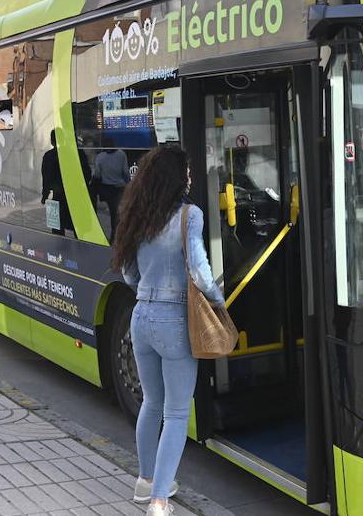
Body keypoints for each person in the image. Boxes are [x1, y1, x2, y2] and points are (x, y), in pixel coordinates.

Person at [112, 146, 224, 516]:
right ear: (177, 178)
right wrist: (219, 302)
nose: (191, 177)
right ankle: (160, 501)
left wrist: (149, 290)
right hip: (174, 321)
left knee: (151, 404)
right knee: (177, 413)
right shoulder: (189, 217)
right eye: (188, 171)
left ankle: (146, 482)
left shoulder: (138, 216)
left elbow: (129, 274)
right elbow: (200, 271)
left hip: (140, 316)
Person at [93, 146, 131, 240]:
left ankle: (114, 236)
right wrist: (129, 184)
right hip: (119, 188)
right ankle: (118, 236)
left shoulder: (100, 157)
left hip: (107, 188)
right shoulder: (121, 154)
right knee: (118, 213)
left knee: (113, 213)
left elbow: (97, 174)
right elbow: (125, 172)